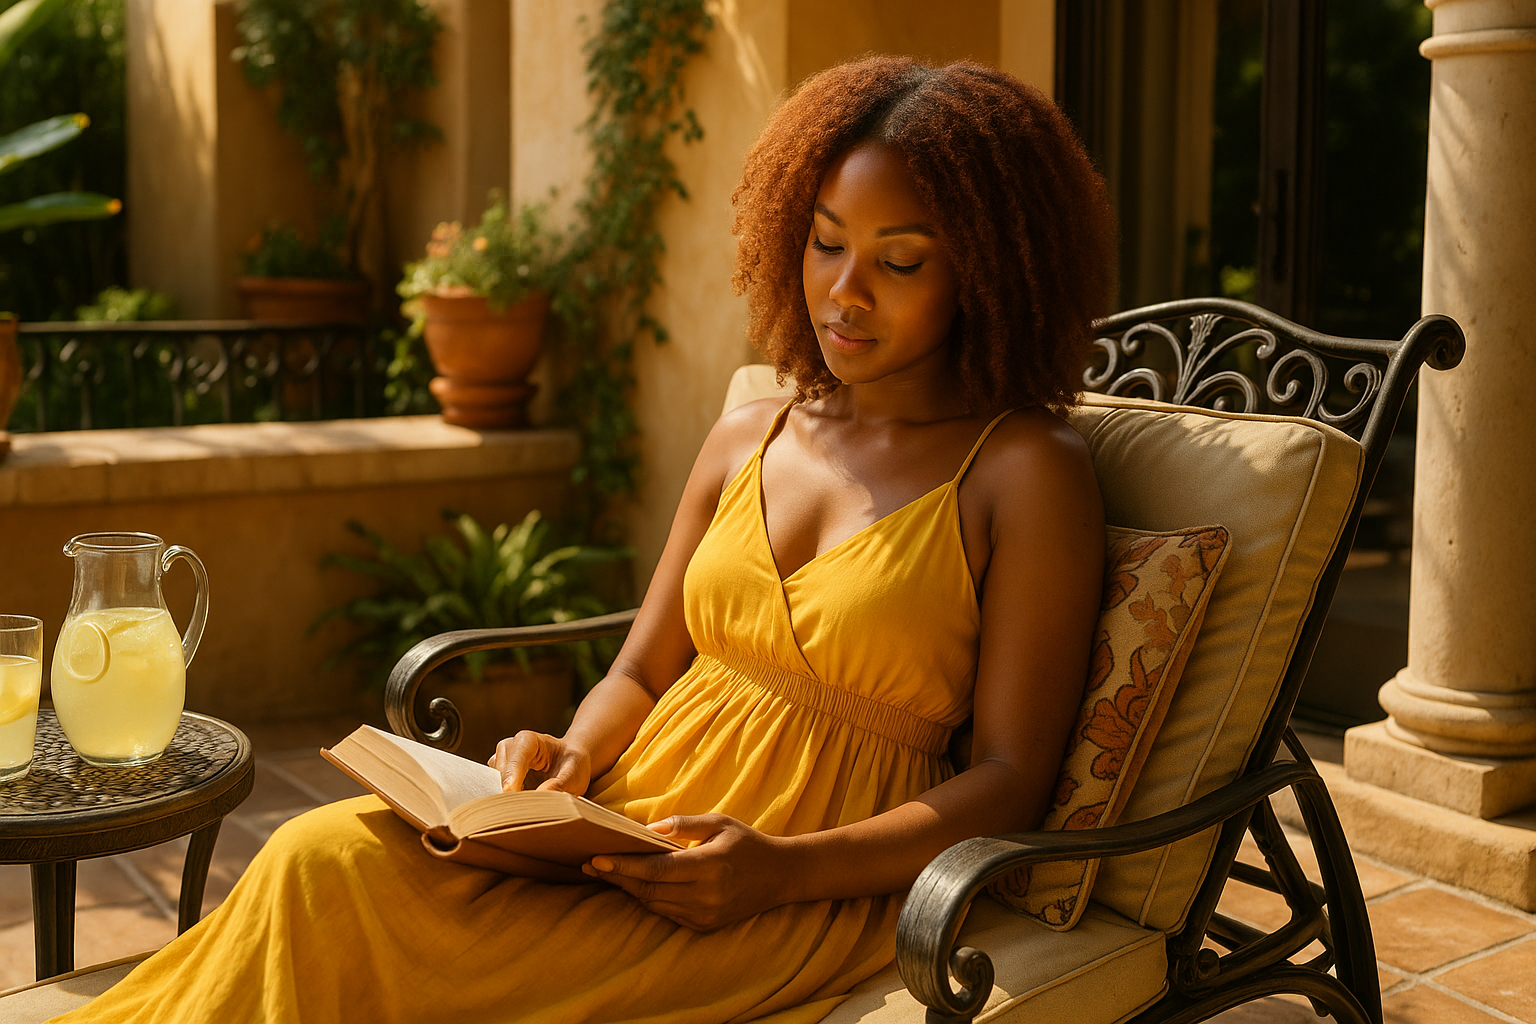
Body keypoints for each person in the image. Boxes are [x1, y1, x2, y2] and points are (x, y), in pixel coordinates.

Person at [53, 55, 1115, 1024]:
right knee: (312, 853)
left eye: (901, 262)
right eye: (827, 242)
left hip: (793, 888)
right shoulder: (752, 430)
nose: (845, 291)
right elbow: (642, 670)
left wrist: (780, 871)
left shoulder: (1024, 469)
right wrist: (575, 750)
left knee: (348, 913)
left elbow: (1011, 776)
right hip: (626, 829)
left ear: (985, 273)